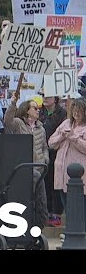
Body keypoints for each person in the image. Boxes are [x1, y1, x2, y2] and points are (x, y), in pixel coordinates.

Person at [4, 93, 49, 228]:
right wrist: (13, 103)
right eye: (35, 108)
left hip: (39, 169)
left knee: (39, 199)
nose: (38, 110)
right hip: (23, 168)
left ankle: (39, 223)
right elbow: (8, 120)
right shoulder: (19, 123)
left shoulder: (41, 128)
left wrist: (45, 159)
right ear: (26, 110)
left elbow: (44, 147)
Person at [49, 97, 86, 232]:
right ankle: (71, 231)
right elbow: (51, 143)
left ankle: (79, 231)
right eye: (74, 110)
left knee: (79, 205)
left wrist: (74, 137)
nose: (76, 114)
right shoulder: (65, 123)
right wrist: (62, 136)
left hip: (79, 174)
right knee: (67, 203)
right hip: (61, 171)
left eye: (80, 111)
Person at [39, 95, 67, 226]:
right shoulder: (40, 112)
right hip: (42, 151)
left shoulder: (62, 114)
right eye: (43, 96)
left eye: (48, 96)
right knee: (44, 183)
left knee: (55, 183)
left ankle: (56, 213)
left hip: (56, 152)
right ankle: (47, 212)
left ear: (55, 99)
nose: (45, 99)